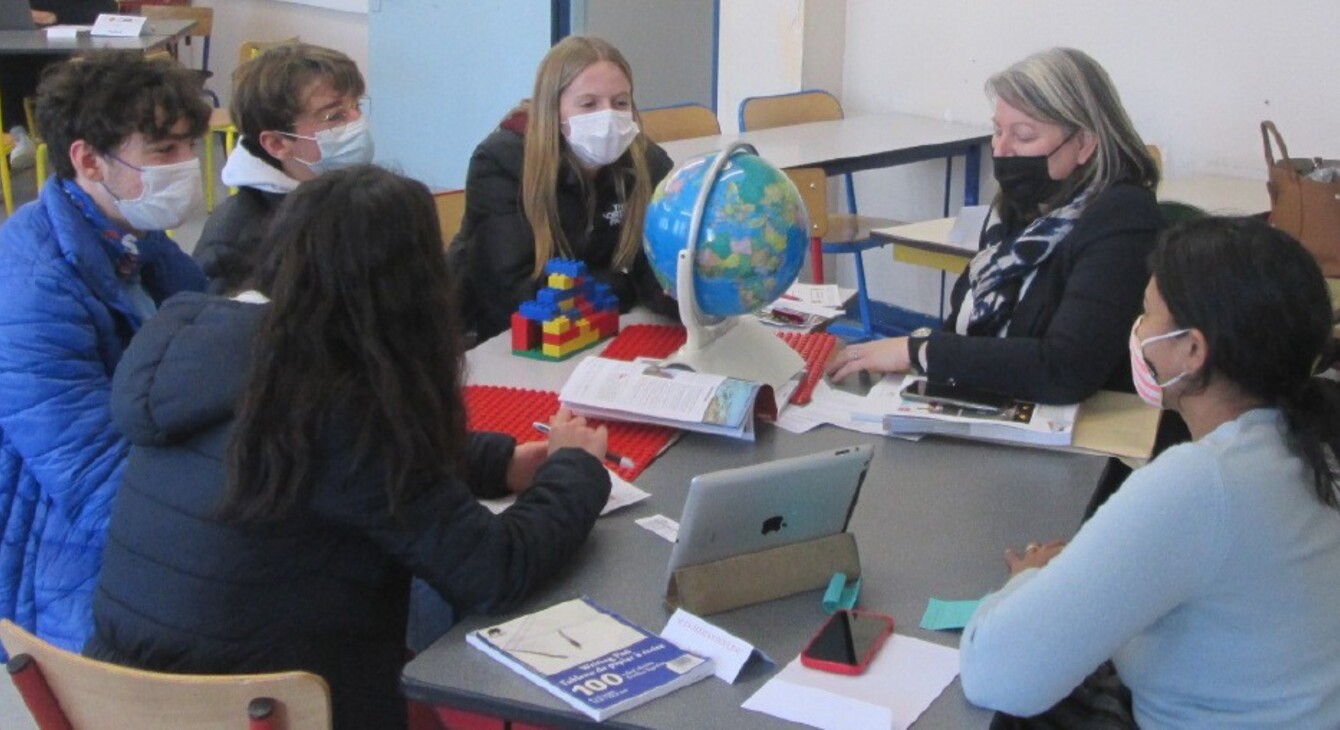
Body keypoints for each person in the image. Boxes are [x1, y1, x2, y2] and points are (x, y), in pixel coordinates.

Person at [85, 165, 612, 730]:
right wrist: (576, 470)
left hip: (117, 702)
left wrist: (495, 462)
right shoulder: (344, 408)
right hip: (273, 712)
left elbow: (345, 472)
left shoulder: (210, 351)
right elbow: (495, 570)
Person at [960, 217, 1340, 727]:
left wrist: (1026, 580)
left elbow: (997, 673)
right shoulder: (1307, 446)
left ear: (1193, 350)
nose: (1136, 332)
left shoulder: (1203, 483)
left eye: (1147, 314)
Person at [0, 50, 208, 654]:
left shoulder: (139, 242)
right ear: (88, 160)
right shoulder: (34, 287)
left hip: (148, 501)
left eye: (190, 146)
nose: (188, 166)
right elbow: (94, 481)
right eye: (164, 151)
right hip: (70, 555)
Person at [828, 47, 1161, 405]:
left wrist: (920, 351)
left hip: (1080, 430)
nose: (1002, 150)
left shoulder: (1124, 218)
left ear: (1083, 144)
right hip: (997, 405)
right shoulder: (1016, 209)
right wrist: (909, 362)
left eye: (1024, 136)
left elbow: (1066, 368)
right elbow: (963, 328)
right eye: (997, 131)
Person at [452, 35, 678, 342]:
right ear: (552, 109)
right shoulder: (502, 162)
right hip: (505, 339)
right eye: (588, 104)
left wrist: (691, 298)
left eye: (620, 102)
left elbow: (654, 267)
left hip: (592, 329)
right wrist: (623, 287)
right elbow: (513, 293)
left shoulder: (645, 162)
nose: (608, 116)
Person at [194, 43, 372, 294]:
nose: (358, 122)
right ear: (277, 143)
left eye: (357, 107)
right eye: (334, 116)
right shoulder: (237, 245)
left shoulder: (352, 193)